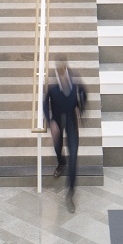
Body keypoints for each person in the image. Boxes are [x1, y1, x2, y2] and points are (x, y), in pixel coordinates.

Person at [43, 57, 87, 211]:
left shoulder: (75, 85)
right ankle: (61, 163)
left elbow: (84, 94)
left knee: (73, 157)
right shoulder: (53, 88)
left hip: (71, 123)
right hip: (57, 122)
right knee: (58, 147)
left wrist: (80, 108)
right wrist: (51, 122)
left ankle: (70, 193)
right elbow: (45, 104)